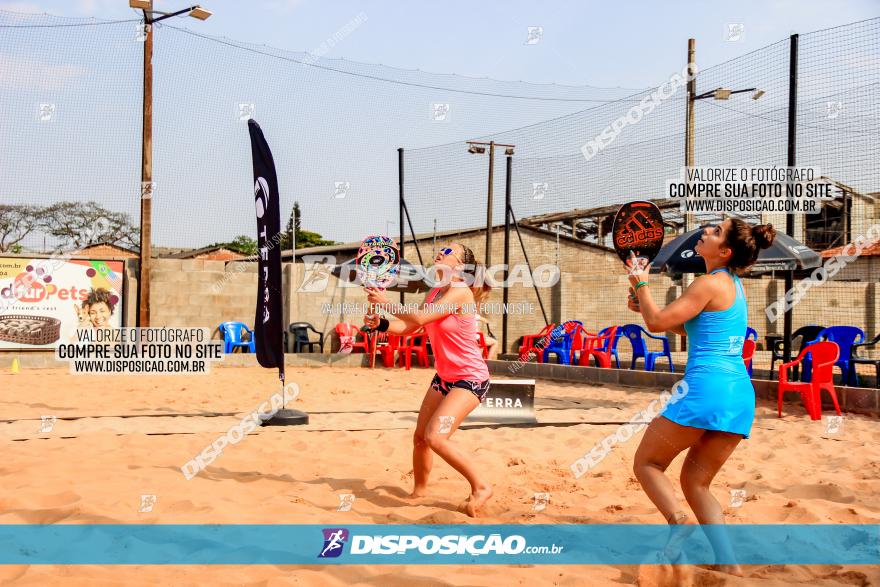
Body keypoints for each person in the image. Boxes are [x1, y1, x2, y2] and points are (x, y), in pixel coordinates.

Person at [627, 218, 775, 575]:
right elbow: (688, 323)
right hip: (739, 395)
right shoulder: (734, 286)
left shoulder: (706, 282)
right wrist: (645, 304)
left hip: (706, 390)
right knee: (696, 482)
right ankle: (728, 563)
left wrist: (642, 284)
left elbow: (660, 324)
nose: (705, 232)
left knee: (647, 464)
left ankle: (679, 521)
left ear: (724, 252)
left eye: (715, 232)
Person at [364, 243, 493, 517]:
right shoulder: (435, 291)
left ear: (459, 265)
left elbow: (420, 316)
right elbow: (411, 328)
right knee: (420, 438)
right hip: (444, 378)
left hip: (469, 379)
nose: (440, 251)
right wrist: (382, 324)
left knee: (436, 437)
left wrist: (386, 303)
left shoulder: (460, 293)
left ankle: (481, 486)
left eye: (448, 250)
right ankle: (419, 491)